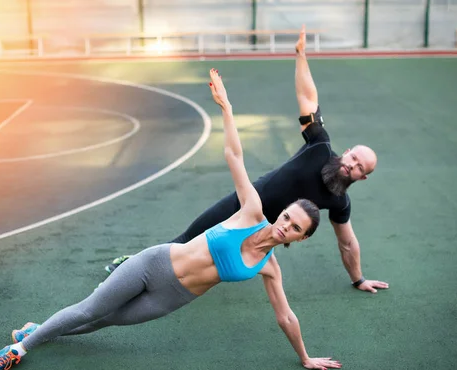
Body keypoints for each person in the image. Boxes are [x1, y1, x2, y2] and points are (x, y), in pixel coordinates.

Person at [0, 69, 342, 370]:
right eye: (288, 217)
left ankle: (39, 331)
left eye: (295, 228)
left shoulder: (270, 268)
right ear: (282, 213)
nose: (285, 226)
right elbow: (234, 154)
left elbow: (285, 317)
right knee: (90, 308)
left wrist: (305, 357)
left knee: (102, 321)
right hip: (155, 265)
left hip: (172, 298)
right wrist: (227, 109)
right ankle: (18, 350)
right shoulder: (251, 210)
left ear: (303, 238)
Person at [106, 26, 388, 294]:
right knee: (184, 243)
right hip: (242, 205)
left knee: (209, 267)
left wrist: (358, 279)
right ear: (347, 151)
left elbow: (347, 242)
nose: (351, 164)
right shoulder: (320, 146)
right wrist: (301, 55)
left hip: (266, 233)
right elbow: (307, 96)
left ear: (362, 176)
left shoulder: (339, 202)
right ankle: (129, 269)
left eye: (359, 167)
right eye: (353, 157)